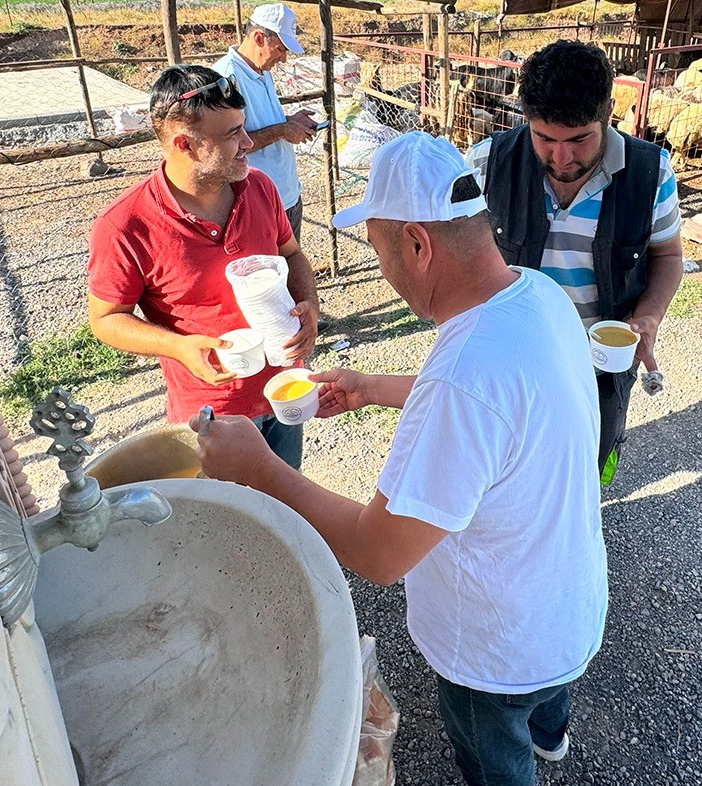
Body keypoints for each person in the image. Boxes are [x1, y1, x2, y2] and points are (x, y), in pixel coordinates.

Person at [192, 132, 608, 786]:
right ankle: (551, 737)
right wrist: (375, 389)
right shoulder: (534, 293)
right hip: (567, 605)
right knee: (544, 705)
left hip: (497, 652)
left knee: (494, 758)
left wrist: (258, 469)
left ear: (418, 244)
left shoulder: (462, 378)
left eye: (381, 249)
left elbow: (380, 552)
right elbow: (503, 411)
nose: (384, 268)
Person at [466, 39, 683, 485]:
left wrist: (649, 317)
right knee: (506, 467)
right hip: (510, 359)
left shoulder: (651, 172)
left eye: (579, 139)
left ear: (607, 113)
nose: (560, 159)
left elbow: (669, 253)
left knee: (587, 461)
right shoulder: (487, 164)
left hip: (601, 362)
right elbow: (456, 256)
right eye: (543, 138)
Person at [87, 64, 319, 468]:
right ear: (184, 145)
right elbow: (106, 319)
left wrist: (309, 307)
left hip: (284, 385)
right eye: (232, 133)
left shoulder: (260, 188)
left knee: (286, 507)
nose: (249, 142)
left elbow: (292, 254)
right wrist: (177, 347)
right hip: (214, 408)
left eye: (242, 127)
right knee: (228, 521)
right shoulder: (126, 224)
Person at [212, 2, 318, 239]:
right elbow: (228, 144)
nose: (283, 59)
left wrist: (291, 122)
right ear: (259, 37)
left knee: (291, 267)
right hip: (256, 201)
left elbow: (257, 123)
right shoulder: (226, 78)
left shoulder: (262, 71)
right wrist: (283, 129)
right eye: (280, 49)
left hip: (286, 194)